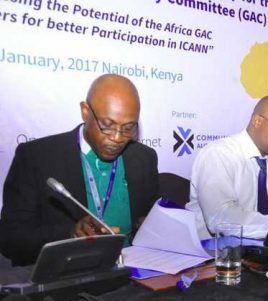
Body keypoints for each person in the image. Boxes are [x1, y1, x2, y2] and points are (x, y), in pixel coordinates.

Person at [0, 74, 159, 266]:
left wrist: (150, 226)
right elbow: (10, 238)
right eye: (107, 126)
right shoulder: (36, 157)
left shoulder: (144, 158)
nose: (117, 137)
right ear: (85, 112)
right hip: (63, 282)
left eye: (128, 128)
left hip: (132, 276)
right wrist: (69, 233)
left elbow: (149, 217)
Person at [186, 95, 268, 239]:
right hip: (212, 256)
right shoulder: (218, 155)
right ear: (257, 121)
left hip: (258, 256)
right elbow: (220, 219)